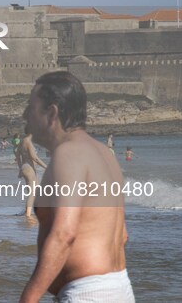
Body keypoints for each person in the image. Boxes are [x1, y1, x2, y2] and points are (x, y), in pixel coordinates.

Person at [19, 71, 133, 302]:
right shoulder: (103, 153)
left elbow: (64, 234)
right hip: (118, 285)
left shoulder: (68, 154)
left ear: (52, 112)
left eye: (31, 106)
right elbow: (122, 235)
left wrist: (28, 298)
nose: (25, 115)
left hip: (87, 292)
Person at [16, 129, 47, 219]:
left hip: (25, 167)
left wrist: (20, 168)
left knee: (35, 191)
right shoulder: (28, 141)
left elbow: (17, 155)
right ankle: (28, 215)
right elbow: (35, 158)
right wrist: (46, 167)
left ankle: (31, 211)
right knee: (32, 193)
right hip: (29, 169)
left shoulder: (22, 141)